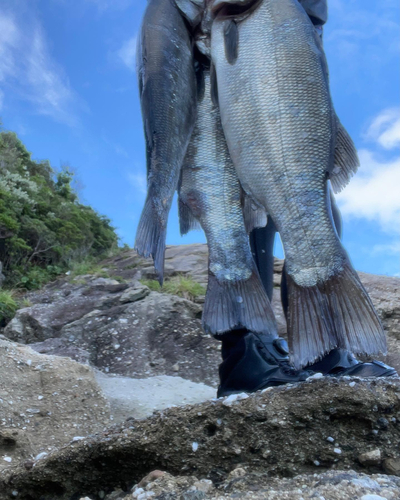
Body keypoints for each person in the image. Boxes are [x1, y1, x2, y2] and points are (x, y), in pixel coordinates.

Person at [214, 0, 397, 397]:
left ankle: (323, 350)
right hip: (232, 39)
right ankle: (246, 354)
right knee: (236, 195)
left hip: (295, 32)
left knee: (314, 194)